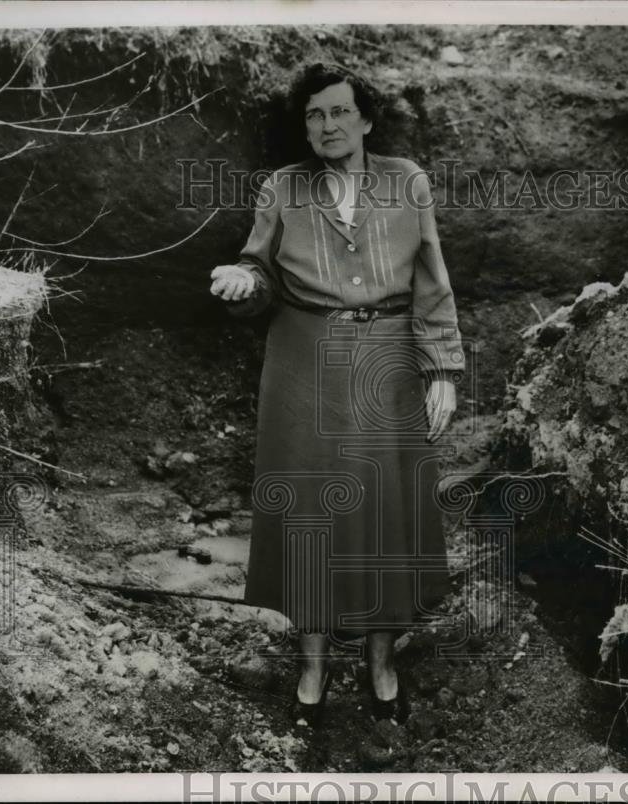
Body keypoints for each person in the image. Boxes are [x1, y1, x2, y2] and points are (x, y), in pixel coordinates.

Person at [210, 62, 464, 730]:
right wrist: (241, 281)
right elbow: (258, 272)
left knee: (385, 510)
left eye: (340, 112)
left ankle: (382, 669)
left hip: (387, 358)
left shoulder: (406, 181)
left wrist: (441, 368)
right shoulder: (283, 189)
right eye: (315, 115)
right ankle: (313, 668)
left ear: (366, 118)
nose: (327, 125)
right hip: (303, 364)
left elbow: (432, 280)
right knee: (310, 515)